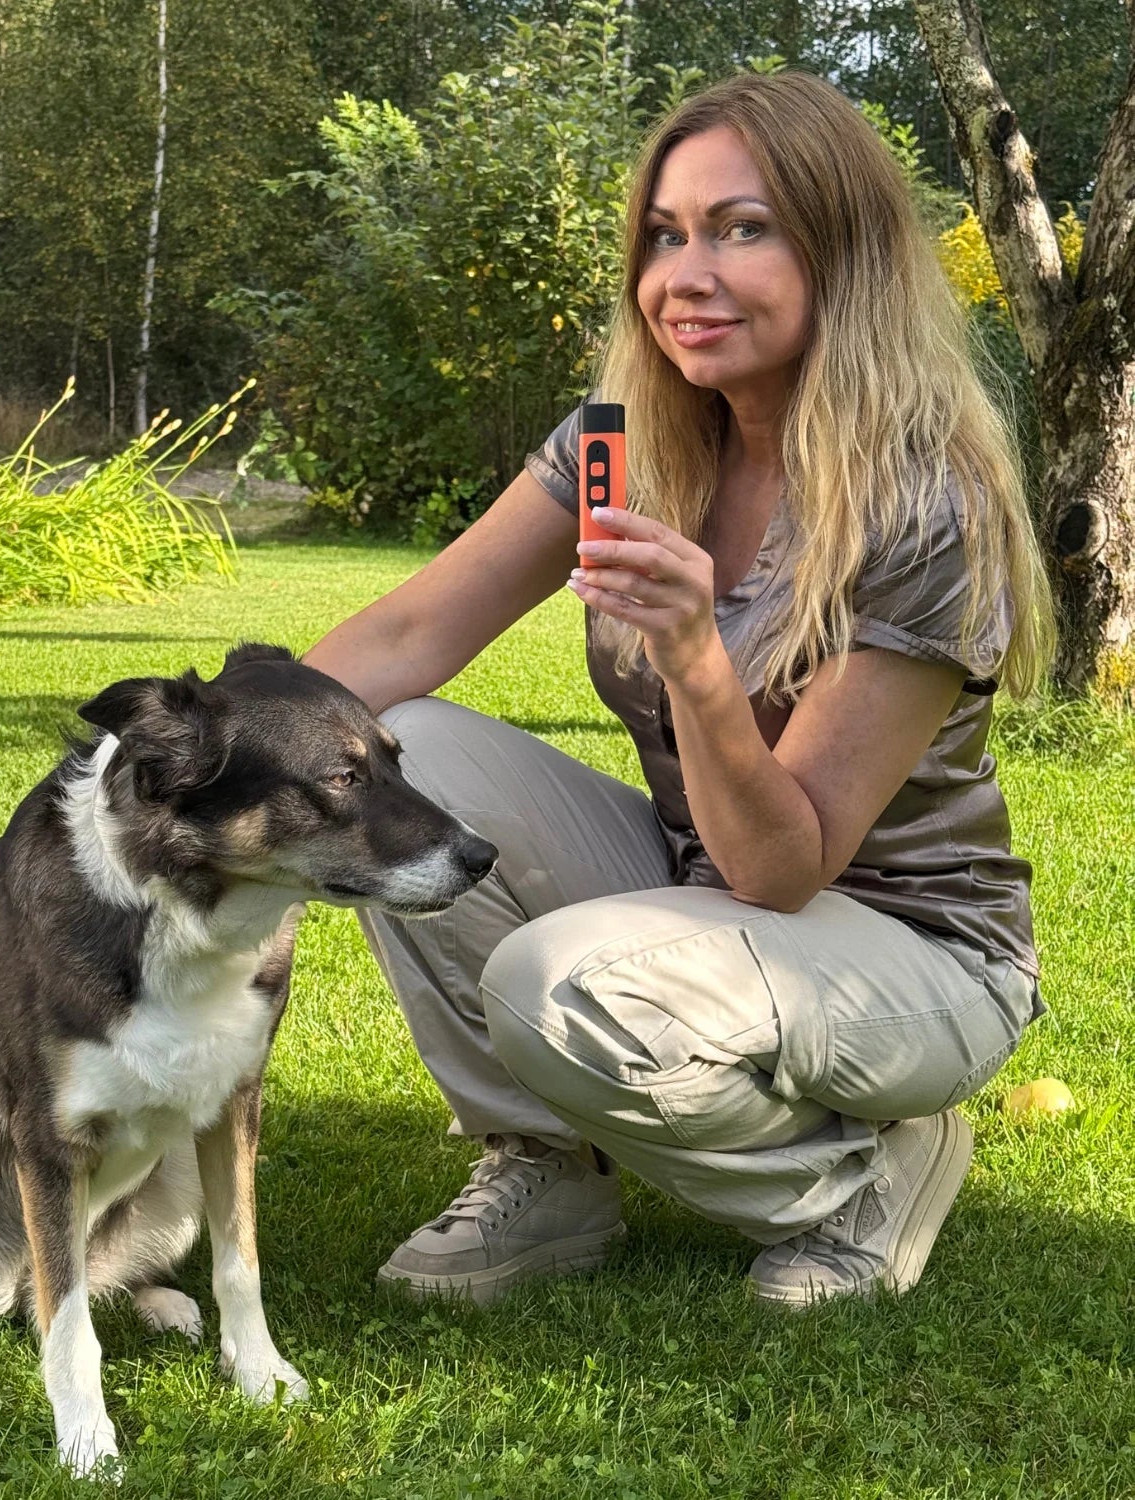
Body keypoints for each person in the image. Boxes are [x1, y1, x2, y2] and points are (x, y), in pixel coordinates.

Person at [302, 70, 1055, 1309]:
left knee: (560, 992)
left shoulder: (928, 504)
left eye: (742, 230)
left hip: (912, 952)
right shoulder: (628, 448)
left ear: (842, 253)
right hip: (704, 890)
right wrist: (199, 746)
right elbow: (415, 625)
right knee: (391, 760)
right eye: (665, 234)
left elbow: (783, 868)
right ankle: (551, 1167)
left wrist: (699, 659)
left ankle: (861, 1178)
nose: (685, 275)